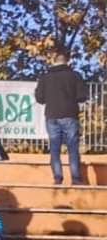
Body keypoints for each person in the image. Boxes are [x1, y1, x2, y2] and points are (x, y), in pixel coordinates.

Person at [35, 52, 89, 184]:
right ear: (67, 62)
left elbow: (39, 98)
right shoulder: (75, 76)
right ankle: (76, 179)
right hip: (70, 115)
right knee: (73, 148)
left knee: (54, 148)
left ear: (53, 61)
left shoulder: (45, 77)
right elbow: (82, 96)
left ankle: (57, 178)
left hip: (52, 115)